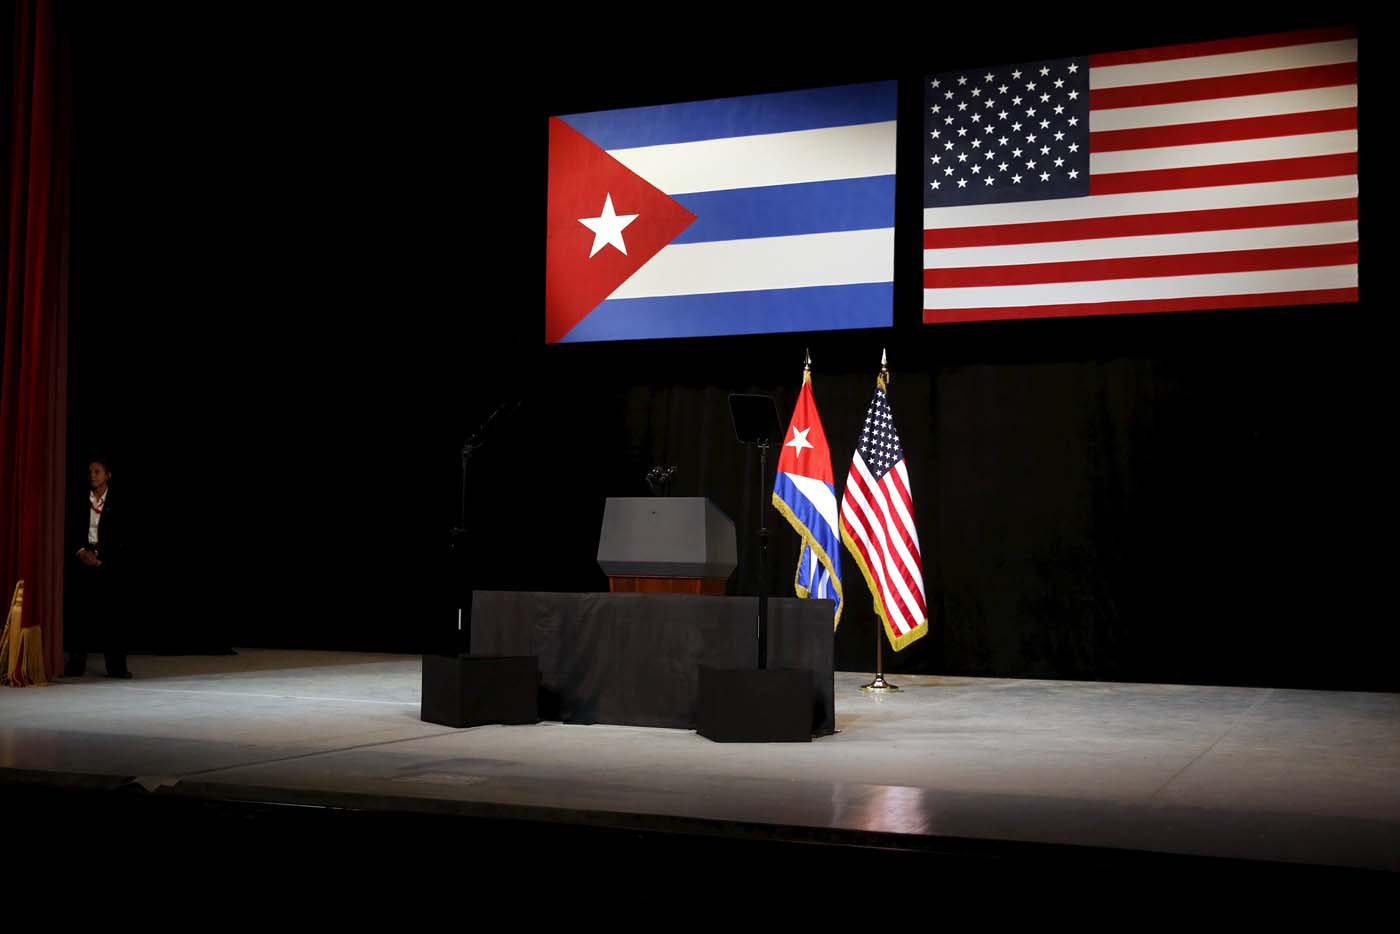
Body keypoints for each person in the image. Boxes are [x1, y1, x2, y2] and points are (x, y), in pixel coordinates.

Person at [64, 457, 131, 678]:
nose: (92, 475)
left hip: (107, 563)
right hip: (83, 558)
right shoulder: (79, 500)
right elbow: (70, 529)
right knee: (79, 614)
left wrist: (103, 558)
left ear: (107, 475)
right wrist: (81, 552)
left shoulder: (118, 501)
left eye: (97, 471)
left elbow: (122, 536)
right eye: (90, 471)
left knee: (112, 616)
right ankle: (75, 664)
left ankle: (116, 667)